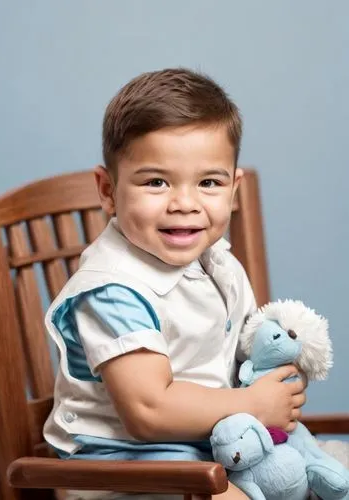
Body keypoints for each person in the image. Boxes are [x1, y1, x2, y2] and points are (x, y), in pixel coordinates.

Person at [43, 68, 306, 500]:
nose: (184, 204)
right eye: (156, 182)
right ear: (107, 189)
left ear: (233, 190)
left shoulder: (218, 264)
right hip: (123, 470)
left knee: (316, 471)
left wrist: (274, 380)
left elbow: (241, 356)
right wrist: (253, 405)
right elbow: (149, 410)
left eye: (208, 182)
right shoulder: (113, 289)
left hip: (207, 448)